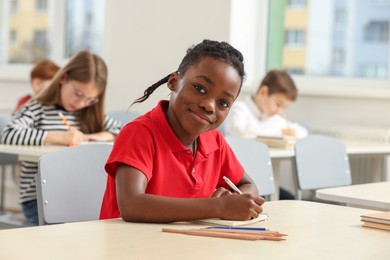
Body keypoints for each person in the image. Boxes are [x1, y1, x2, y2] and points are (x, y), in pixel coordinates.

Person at [100, 39, 265, 223]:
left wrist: (237, 202)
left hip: (184, 247)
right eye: (200, 88)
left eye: (223, 103)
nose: (209, 106)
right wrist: (218, 207)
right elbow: (132, 205)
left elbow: (248, 185)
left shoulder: (214, 140)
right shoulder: (139, 133)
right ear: (174, 82)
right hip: (128, 247)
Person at [0, 51, 123, 226]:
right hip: (40, 199)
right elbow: (9, 133)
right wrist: (60, 137)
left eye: (90, 99)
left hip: (81, 197)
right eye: (78, 94)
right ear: (63, 78)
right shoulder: (37, 108)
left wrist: (99, 136)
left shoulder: (88, 114)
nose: (80, 103)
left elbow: (124, 131)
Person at [224, 69, 308, 139]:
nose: (279, 111)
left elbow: (303, 132)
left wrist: (292, 132)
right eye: (278, 104)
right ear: (263, 92)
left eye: (283, 108)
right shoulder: (240, 109)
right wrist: (279, 133)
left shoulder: (272, 118)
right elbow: (241, 132)